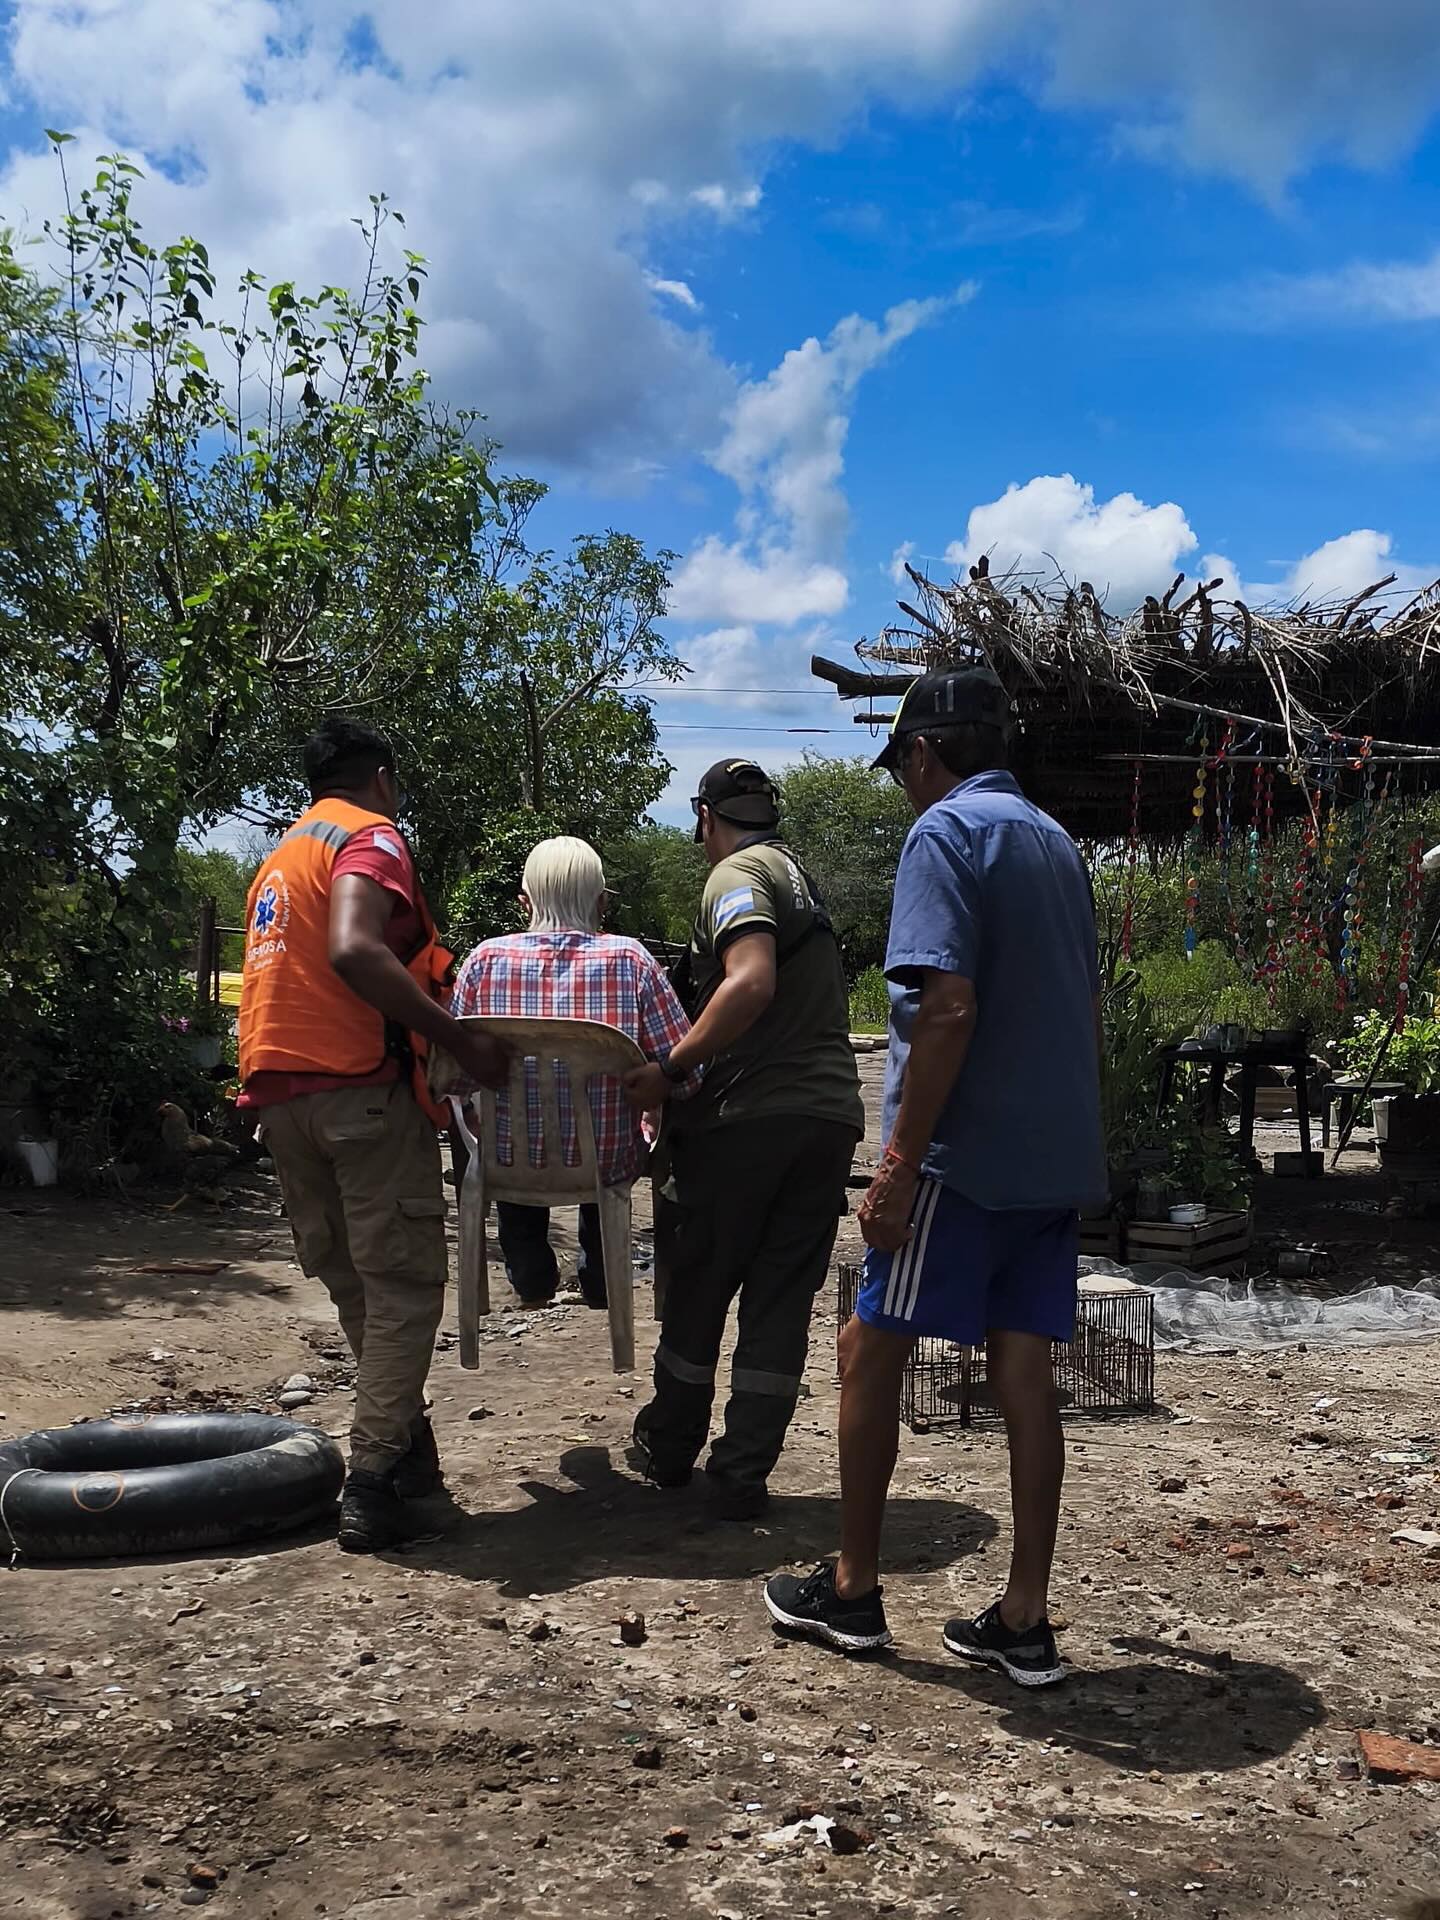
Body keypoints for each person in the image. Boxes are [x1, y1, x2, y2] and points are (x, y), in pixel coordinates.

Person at [764, 669, 1105, 1682]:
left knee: (869, 1345)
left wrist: (900, 1166)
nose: (903, 786)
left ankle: (854, 1591)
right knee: (1024, 1370)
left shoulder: (945, 835)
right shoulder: (1053, 842)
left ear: (921, 752)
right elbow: (1085, 1010)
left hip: (967, 1158)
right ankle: (1025, 1617)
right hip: (1054, 1156)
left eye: (902, 767)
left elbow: (945, 1007)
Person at [238, 716, 508, 1554]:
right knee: (403, 1290)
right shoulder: (371, 837)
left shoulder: (281, 859)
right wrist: (461, 1040)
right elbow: (357, 949)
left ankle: (412, 1478)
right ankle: (373, 1482)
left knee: (359, 1287)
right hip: (358, 1091)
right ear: (383, 776)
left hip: (279, 1098)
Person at [623, 759, 864, 1522]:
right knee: (780, 1304)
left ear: (705, 817)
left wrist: (670, 1066)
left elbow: (750, 979)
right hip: (827, 1122)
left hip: (746, 1122)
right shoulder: (799, 876)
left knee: (698, 1289)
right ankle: (740, 1473)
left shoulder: (737, 873)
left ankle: (668, 1449)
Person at [450, 836, 697, 1303]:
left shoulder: (483, 961)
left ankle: (532, 1277)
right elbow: (685, 1064)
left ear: (525, 902)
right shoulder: (632, 961)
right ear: (602, 902)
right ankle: (601, 1278)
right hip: (606, 1159)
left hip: (509, 1159)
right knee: (613, 1144)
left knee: (508, 1148)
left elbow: (452, 1076)